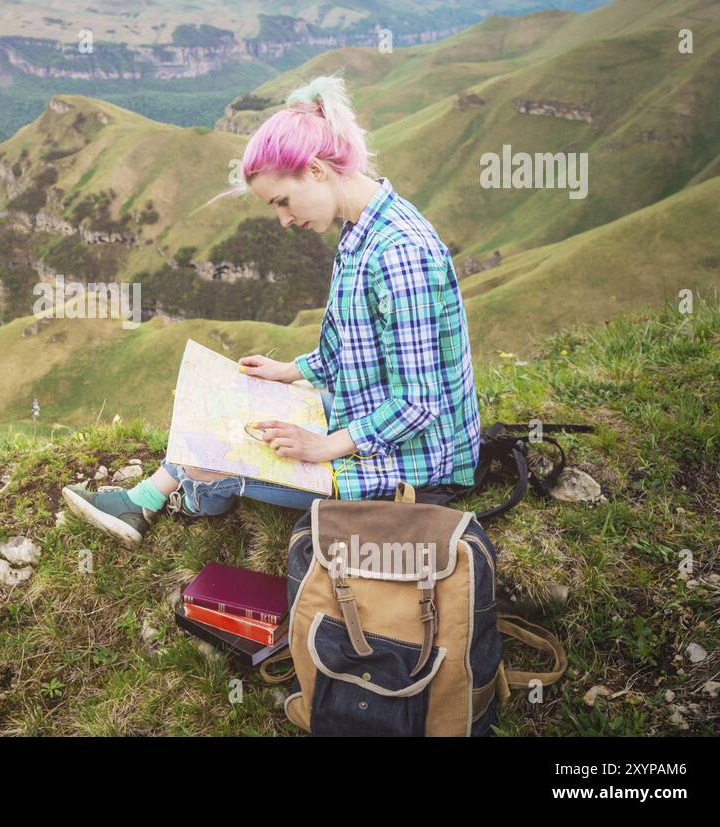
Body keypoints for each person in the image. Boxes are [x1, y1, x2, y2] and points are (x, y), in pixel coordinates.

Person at [61, 74, 481, 547]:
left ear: (318, 170)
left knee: (214, 458)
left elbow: (418, 403)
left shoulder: (399, 254)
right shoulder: (363, 228)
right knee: (232, 410)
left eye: (283, 200)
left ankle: (183, 497)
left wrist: (323, 447)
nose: (283, 220)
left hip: (420, 468)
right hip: (371, 416)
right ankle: (147, 499)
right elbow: (358, 347)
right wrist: (290, 370)